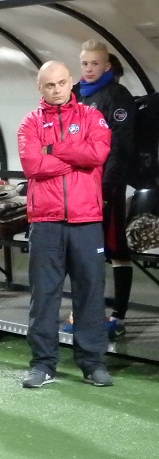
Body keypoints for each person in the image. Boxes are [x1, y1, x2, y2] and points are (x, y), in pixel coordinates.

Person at [18, 61, 113, 388]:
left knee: (90, 293)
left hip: (87, 220)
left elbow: (97, 154)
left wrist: (54, 150)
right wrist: (76, 159)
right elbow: (32, 165)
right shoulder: (30, 123)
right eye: (50, 85)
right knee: (44, 295)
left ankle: (92, 363)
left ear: (71, 82)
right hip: (45, 222)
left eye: (61, 83)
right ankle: (42, 364)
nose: (57, 90)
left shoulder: (91, 117)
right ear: (40, 88)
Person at [70, 40, 136, 340]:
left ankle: (118, 316)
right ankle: (87, 312)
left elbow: (120, 145)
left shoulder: (117, 96)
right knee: (83, 250)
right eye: (85, 63)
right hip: (78, 184)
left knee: (114, 248)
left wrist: (107, 185)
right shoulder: (74, 93)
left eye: (95, 64)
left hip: (106, 185)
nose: (89, 69)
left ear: (107, 66)